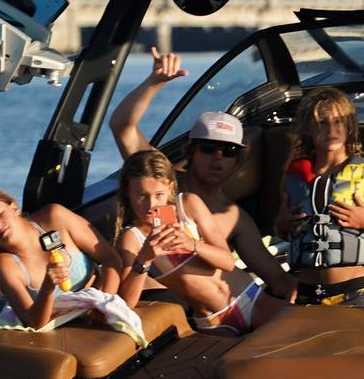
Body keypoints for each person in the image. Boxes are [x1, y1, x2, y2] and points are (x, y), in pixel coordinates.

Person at [108, 47, 294, 301]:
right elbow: (122, 126)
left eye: (228, 151)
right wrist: (154, 83)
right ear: (190, 152)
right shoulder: (163, 180)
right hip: (155, 304)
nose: (218, 157)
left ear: (238, 160)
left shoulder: (233, 216)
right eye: (208, 148)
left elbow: (276, 278)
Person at [113, 149, 272, 332]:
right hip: (212, 322)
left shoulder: (188, 205)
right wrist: (145, 259)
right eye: (141, 195)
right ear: (127, 193)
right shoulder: (132, 238)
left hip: (249, 297)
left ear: (171, 188)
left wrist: (193, 245)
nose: (152, 205)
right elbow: (126, 302)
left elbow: (227, 262)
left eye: (159, 195)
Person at [275, 87, 364, 306]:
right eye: (322, 123)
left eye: (338, 122)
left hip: (352, 293)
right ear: (308, 128)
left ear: (349, 127)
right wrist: (283, 224)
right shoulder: (292, 178)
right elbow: (281, 229)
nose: (331, 130)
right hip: (306, 292)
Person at [0, 186, 123, 331]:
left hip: (102, 305)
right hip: (62, 327)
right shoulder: (5, 265)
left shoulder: (55, 217)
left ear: (14, 208)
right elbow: (34, 321)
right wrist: (48, 286)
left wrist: (104, 304)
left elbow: (111, 259)